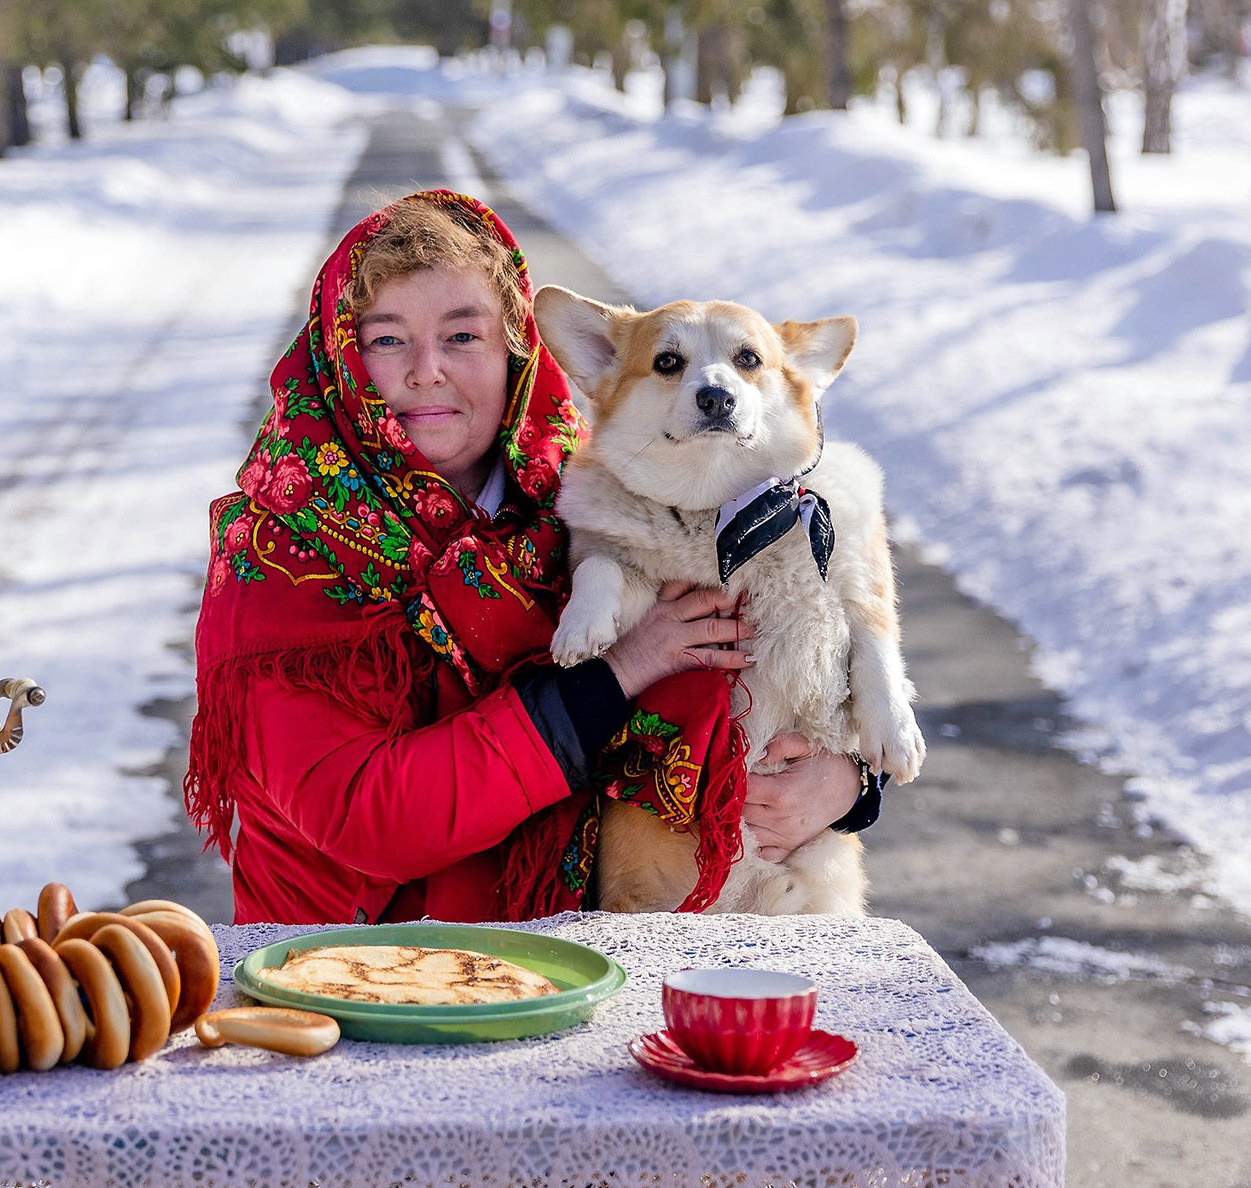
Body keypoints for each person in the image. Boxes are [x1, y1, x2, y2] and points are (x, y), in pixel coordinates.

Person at [187, 192, 867, 927]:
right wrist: (617, 676)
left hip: (564, 958)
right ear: (341, 355)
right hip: (349, 975)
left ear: (515, 348)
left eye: (462, 337)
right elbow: (372, 817)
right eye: (387, 340)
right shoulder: (282, 550)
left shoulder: (598, 489)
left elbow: (775, 660)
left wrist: (841, 783)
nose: (426, 371)